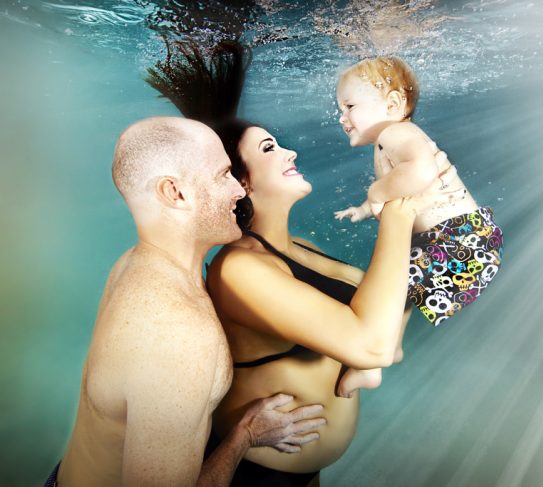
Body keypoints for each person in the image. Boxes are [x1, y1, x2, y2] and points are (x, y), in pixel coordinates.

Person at [146, 40, 419, 486]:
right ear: (241, 182)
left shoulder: (299, 246)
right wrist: (398, 211)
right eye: (271, 148)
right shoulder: (239, 270)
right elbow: (373, 342)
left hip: (301, 471)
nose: (290, 153)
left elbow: (393, 303)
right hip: (253, 474)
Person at [46, 117, 326, 487]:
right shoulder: (177, 336)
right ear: (174, 193)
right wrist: (245, 434)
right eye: (223, 174)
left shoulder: (136, 263)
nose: (238, 191)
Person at [334, 56, 503, 327]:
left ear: (392, 104)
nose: (342, 118)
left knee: (382, 289)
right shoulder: (391, 139)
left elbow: (422, 171)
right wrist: (365, 208)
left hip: (458, 242)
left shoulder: (395, 133)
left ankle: (371, 346)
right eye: (340, 108)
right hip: (462, 242)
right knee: (392, 289)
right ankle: (386, 344)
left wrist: (376, 193)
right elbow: (399, 187)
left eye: (349, 106)